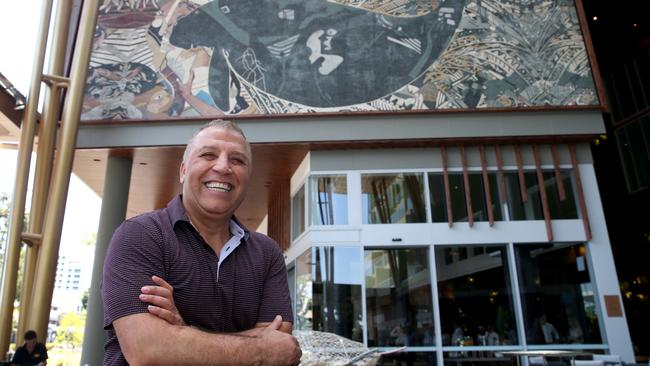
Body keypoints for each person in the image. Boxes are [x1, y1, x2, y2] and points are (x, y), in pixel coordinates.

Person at [101, 119, 302, 365]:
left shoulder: (267, 253)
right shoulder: (141, 235)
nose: (223, 167)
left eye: (237, 160)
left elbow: (279, 348)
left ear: (247, 177)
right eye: (208, 155)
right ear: (183, 170)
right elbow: (147, 351)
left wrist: (182, 333)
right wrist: (259, 349)